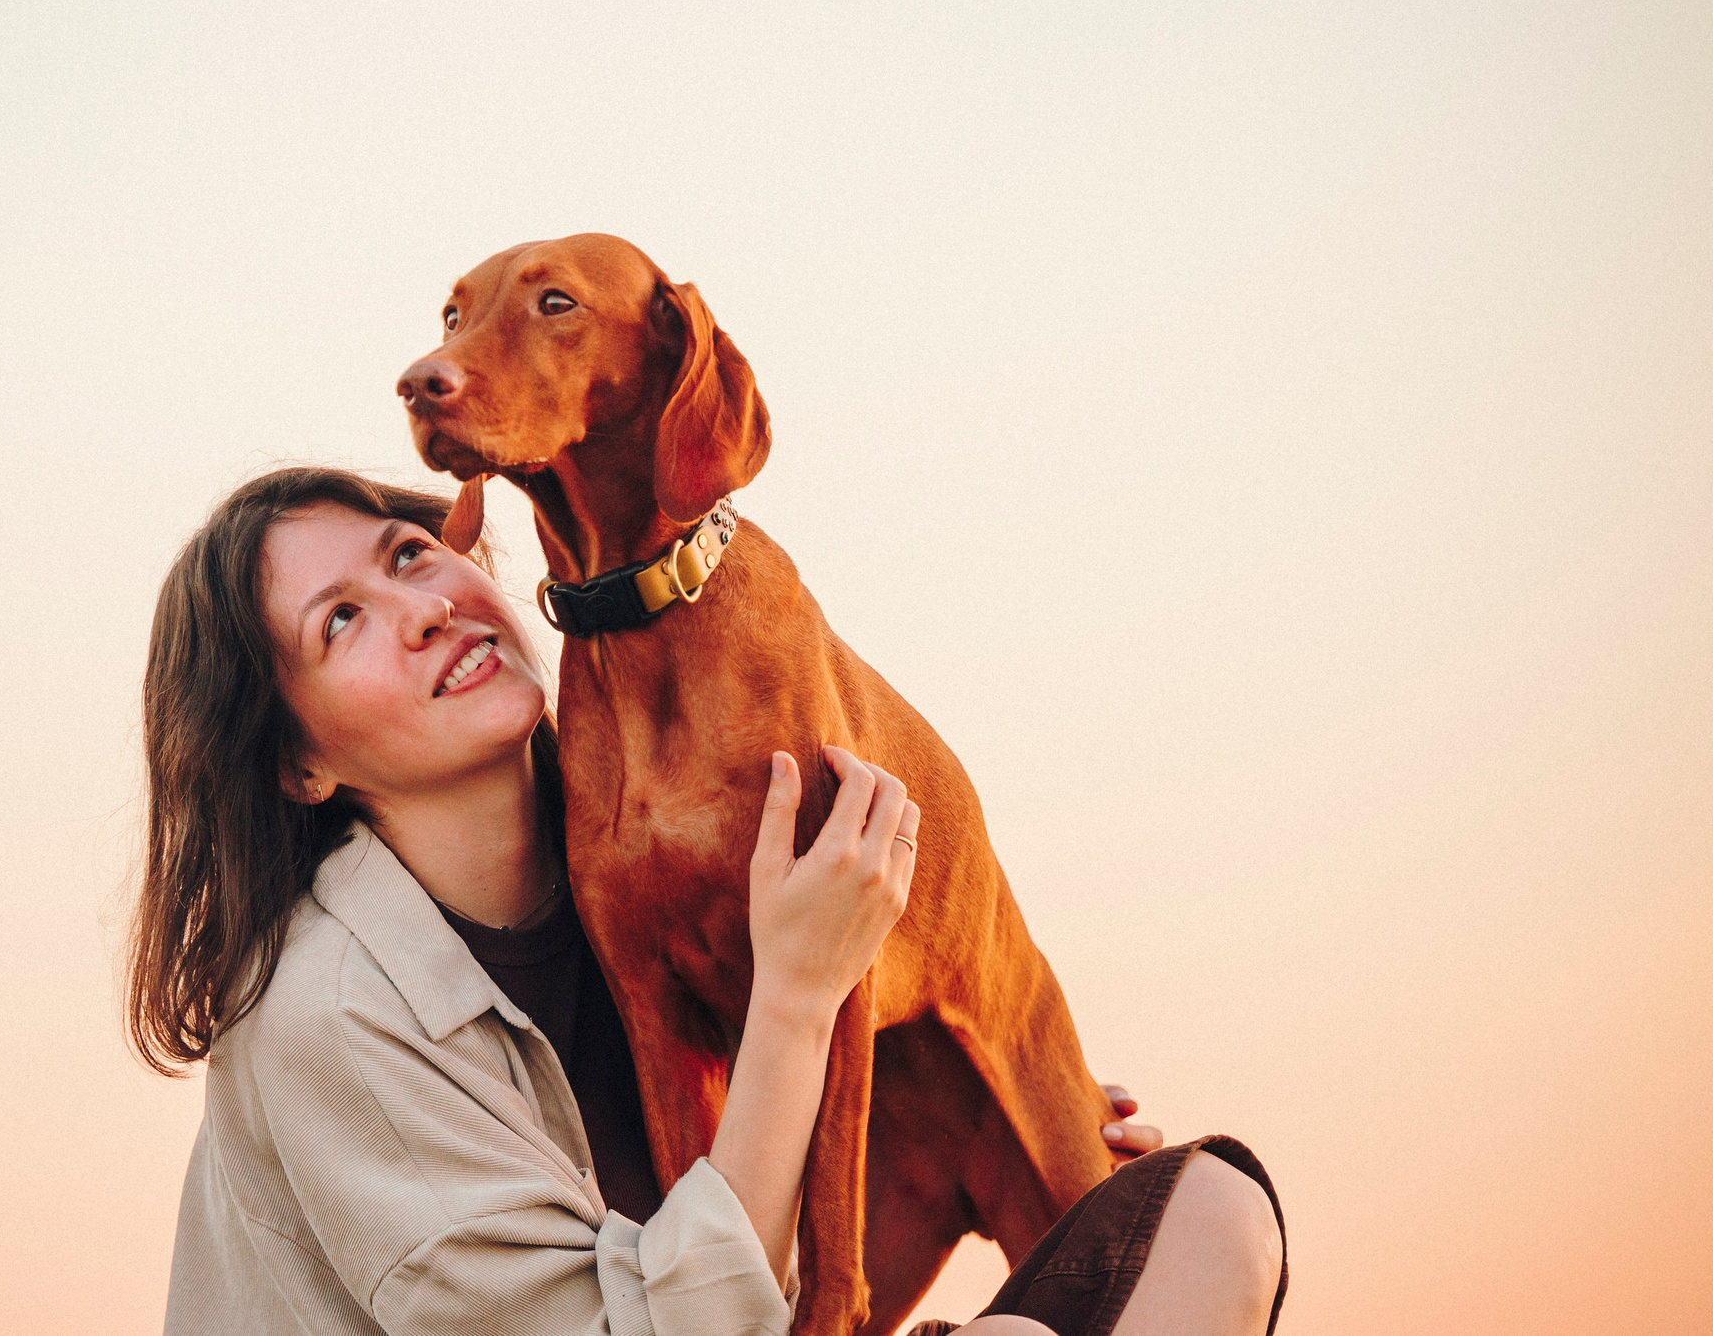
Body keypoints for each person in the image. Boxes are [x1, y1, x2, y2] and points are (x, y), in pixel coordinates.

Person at [130, 466, 1286, 1336]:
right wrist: (796, 996)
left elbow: (778, 1192)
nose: (422, 608)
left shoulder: (643, 846)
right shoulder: (323, 1017)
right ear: (297, 765)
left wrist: (1004, 1123)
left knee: (1207, 1216)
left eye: (410, 557)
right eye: (341, 622)